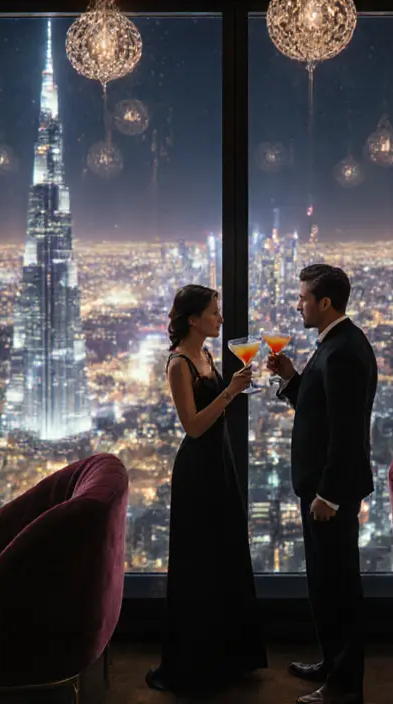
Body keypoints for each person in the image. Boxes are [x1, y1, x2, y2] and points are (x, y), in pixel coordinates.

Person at [146, 284, 268, 692]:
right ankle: (196, 662)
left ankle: (228, 656)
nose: (220, 319)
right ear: (193, 320)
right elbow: (193, 425)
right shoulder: (179, 364)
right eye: (214, 313)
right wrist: (232, 390)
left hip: (221, 462)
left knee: (224, 555)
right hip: (197, 469)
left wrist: (235, 388)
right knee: (200, 563)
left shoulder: (207, 355)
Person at [267, 264, 377, 704]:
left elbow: (347, 433)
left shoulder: (345, 350)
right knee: (324, 584)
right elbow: (319, 411)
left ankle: (344, 687)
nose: (297, 304)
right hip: (319, 490)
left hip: (329, 494)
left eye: (302, 298)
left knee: (340, 588)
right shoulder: (335, 344)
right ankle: (332, 664)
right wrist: (292, 378)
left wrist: (328, 494)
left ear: (324, 302)